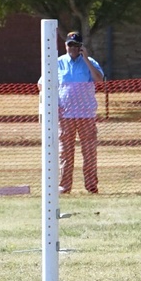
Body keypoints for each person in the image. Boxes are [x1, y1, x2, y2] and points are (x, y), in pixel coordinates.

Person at [57, 31, 105, 193]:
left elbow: (100, 79)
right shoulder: (57, 63)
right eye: (70, 45)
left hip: (86, 114)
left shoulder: (90, 62)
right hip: (65, 115)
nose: (73, 48)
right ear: (66, 46)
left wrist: (86, 59)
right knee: (65, 153)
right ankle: (64, 187)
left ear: (81, 46)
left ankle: (91, 186)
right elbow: (42, 84)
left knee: (89, 152)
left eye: (76, 45)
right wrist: (53, 104)